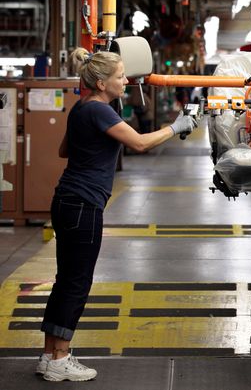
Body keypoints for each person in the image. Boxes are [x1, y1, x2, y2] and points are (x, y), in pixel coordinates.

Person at [38, 48, 197, 382]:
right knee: (77, 283)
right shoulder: (98, 110)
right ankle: (61, 358)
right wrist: (175, 127)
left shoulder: (82, 108)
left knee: (65, 280)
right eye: (120, 76)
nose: (126, 80)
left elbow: (64, 150)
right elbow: (139, 144)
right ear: (101, 82)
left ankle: (50, 353)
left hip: (66, 200)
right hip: (83, 204)